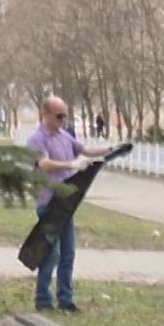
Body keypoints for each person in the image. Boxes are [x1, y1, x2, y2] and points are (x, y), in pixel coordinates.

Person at [25, 96, 109, 312]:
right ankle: (42, 299)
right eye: (59, 115)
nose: (63, 120)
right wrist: (71, 164)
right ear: (46, 114)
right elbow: (44, 164)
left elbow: (85, 149)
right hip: (49, 203)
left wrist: (109, 150)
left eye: (65, 115)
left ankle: (66, 299)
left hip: (66, 204)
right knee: (51, 253)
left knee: (68, 254)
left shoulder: (64, 135)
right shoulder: (37, 139)